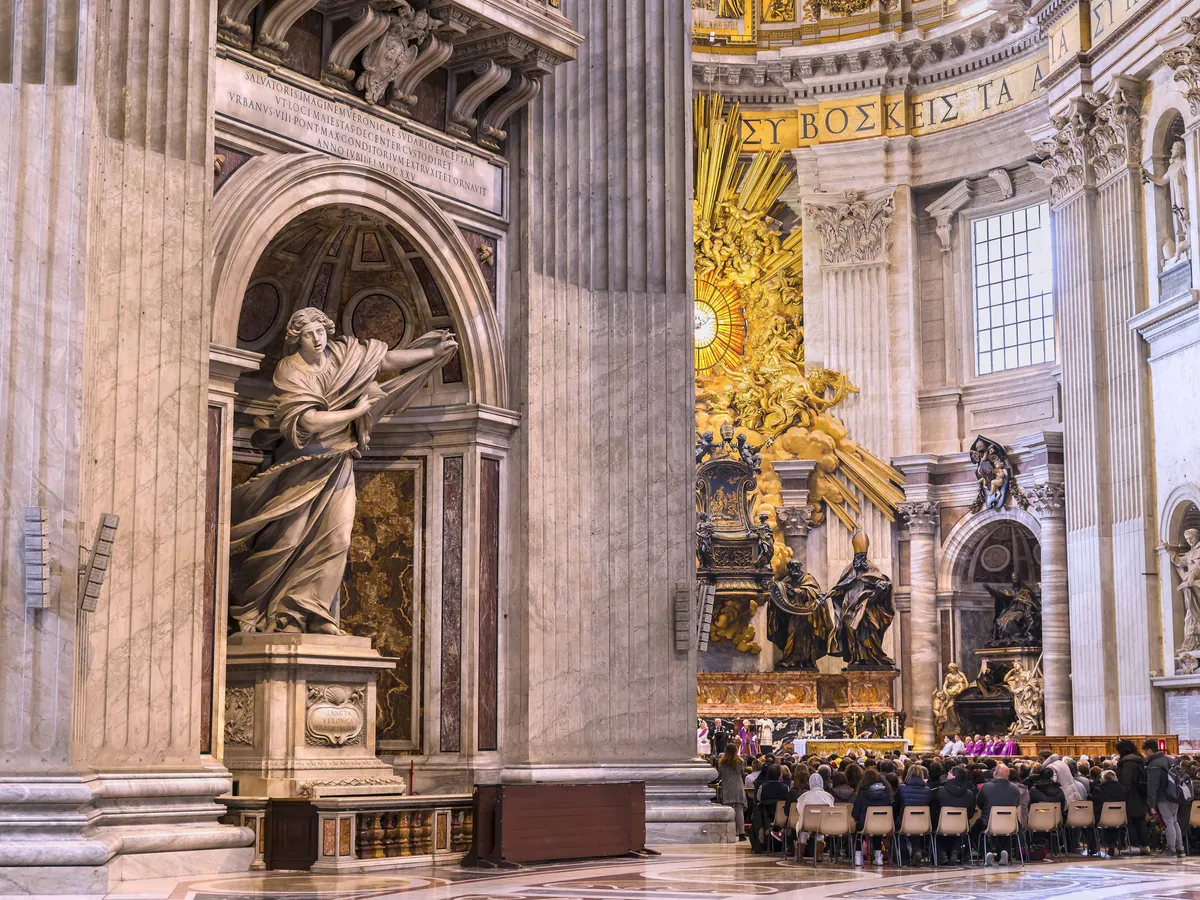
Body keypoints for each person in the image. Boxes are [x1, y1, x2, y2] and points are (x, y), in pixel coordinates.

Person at [229, 308, 456, 634]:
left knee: (338, 538)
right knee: (288, 540)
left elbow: (384, 361)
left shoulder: (342, 354)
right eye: (309, 334)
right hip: (302, 464)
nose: (317, 339)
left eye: (321, 331)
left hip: (339, 462)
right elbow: (309, 422)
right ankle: (278, 615)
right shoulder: (289, 370)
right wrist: (356, 412)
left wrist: (432, 353)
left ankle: (313, 611)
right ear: (297, 339)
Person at [975, 764, 1022, 865]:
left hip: (989, 823)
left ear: (995, 773)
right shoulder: (1015, 789)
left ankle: (986, 852)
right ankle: (1004, 852)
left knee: (975, 830)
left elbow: (979, 804)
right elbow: (1017, 804)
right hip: (1010, 824)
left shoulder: (985, 787)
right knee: (1005, 833)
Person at [1145, 738, 1184, 857]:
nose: (1145, 754)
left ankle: (1171, 849)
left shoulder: (1154, 764)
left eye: (1145, 751)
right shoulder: (1170, 759)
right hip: (1174, 795)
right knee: (1174, 822)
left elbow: (1152, 786)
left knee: (1168, 822)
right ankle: (1180, 848)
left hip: (1163, 797)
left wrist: (1152, 804)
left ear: (1149, 750)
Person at [933, 765, 976, 864]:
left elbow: (933, 810)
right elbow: (970, 814)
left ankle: (941, 853)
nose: (947, 774)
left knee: (932, 829)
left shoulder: (940, 791)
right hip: (961, 827)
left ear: (953, 776)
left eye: (949, 773)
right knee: (961, 831)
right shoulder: (969, 794)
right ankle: (956, 850)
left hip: (941, 826)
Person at [852, 769, 894, 865]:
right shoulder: (886, 791)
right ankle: (878, 856)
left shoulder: (862, 792)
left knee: (859, 830)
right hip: (883, 824)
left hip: (865, 824)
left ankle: (858, 856)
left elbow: (856, 811)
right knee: (877, 830)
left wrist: (857, 818)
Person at [1117, 739, 1150, 853]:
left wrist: (1121, 794)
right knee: (1141, 821)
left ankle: (1134, 846)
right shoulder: (1140, 760)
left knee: (1130, 821)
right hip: (1141, 795)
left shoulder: (1127, 762)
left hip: (1131, 796)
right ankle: (1145, 846)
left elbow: (1127, 781)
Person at [895, 765, 933, 864]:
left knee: (898, 829)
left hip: (904, 822)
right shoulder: (927, 790)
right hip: (922, 823)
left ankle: (904, 858)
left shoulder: (902, 788)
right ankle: (916, 850)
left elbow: (896, 803)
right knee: (915, 827)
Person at [794, 772, 835, 860]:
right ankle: (819, 855)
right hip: (823, 824)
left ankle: (800, 854)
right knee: (820, 832)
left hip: (806, 824)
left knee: (803, 831)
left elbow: (799, 810)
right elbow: (831, 811)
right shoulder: (828, 796)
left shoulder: (804, 796)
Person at [1091, 769, 1128, 858]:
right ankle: (1112, 844)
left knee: (1092, 821)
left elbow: (1093, 803)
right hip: (1120, 818)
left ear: (1103, 779)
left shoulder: (1098, 789)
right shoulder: (1122, 789)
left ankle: (1093, 847)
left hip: (1102, 818)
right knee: (1114, 822)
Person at [717, 743, 748, 841]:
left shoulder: (722, 762)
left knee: (729, 810)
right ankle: (742, 833)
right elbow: (742, 773)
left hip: (727, 787)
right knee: (739, 810)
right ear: (736, 751)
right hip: (738, 786)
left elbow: (720, 775)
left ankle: (730, 833)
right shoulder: (740, 761)